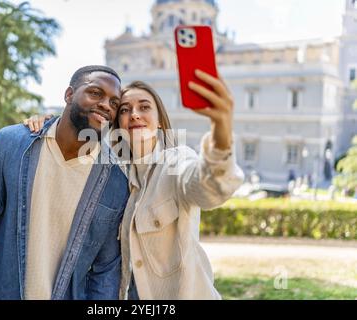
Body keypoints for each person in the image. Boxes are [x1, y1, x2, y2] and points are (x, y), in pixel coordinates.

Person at [25, 68, 244, 300]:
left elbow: (209, 190)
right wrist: (50, 125)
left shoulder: (176, 161)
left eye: (145, 107)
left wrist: (221, 130)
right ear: (118, 123)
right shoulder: (113, 177)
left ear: (159, 122)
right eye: (125, 110)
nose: (135, 114)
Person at [0, 65, 130, 300]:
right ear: (69, 95)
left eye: (114, 103)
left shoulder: (116, 181)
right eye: (95, 93)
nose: (105, 105)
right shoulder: (10, 144)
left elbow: (105, 269)